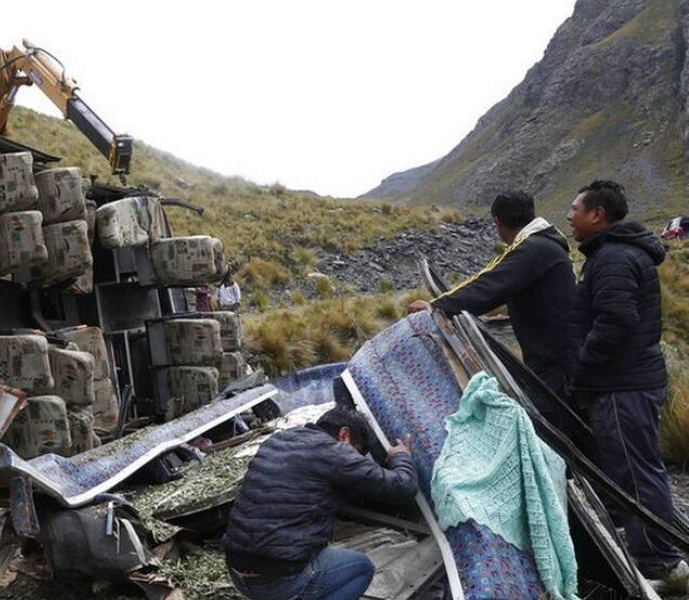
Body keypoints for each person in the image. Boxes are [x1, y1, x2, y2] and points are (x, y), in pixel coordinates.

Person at [566, 179, 688, 592]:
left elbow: (616, 321)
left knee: (636, 472)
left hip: (623, 384)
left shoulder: (614, 258)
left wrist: (582, 365)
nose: (570, 216)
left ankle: (661, 564)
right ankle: (652, 548)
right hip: (630, 379)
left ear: (597, 214)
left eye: (575, 209)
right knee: (634, 467)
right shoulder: (613, 253)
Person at [408, 190, 575, 426]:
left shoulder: (534, 248)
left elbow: (490, 283)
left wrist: (437, 306)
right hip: (556, 356)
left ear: (497, 222)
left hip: (557, 363)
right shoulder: (542, 245)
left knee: (558, 425)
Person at [221, 407, 417, 600]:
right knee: (361, 569)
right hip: (276, 580)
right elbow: (403, 487)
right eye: (357, 453)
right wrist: (401, 456)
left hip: (236, 569)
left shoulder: (278, 440)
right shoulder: (336, 453)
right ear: (344, 434)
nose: (356, 459)